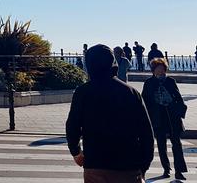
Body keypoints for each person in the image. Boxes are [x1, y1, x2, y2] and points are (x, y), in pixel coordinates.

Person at [66, 44, 154, 182]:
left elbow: (73, 125)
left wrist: (76, 151)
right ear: (112, 63)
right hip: (128, 165)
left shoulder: (83, 92)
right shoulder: (130, 92)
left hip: (96, 164)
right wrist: (143, 166)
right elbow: (146, 132)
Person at [142, 57, 188, 180]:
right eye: (158, 69)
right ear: (153, 70)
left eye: (163, 69)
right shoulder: (149, 83)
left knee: (176, 144)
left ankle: (179, 170)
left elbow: (179, 98)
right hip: (158, 117)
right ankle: (166, 169)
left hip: (172, 116)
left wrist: (179, 110)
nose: (161, 71)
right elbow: (145, 101)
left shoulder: (170, 81)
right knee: (161, 145)